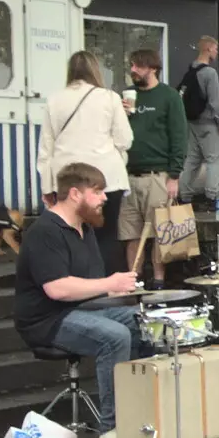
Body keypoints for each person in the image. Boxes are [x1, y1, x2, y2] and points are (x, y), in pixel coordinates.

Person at [14, 162, 143, 431]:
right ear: (75, 194)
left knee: (145, 322)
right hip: (47, 320)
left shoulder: (85, 229)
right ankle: (114, 431)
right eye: (97, 191)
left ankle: (143, 411)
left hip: (81, 309)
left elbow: (89, 282)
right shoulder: (44, 231)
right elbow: (57, 289)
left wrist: (112, 289)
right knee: (114, 336)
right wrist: (109, 282)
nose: (105, 198)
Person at [37, 51, 132, 273]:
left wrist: (47, 187)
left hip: (67, 180)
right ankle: (108, 291)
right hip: (107, 177)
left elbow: (46, 148)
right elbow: (125, 140)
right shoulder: (110, 97)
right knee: (106, 237)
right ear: (95, 71)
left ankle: (78, 288)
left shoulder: (54, 100)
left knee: (71, 235)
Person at [120, 49, 186, 285]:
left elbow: (179, 137)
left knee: (160, 233)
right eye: (132, 65)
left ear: (153, 68)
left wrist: (174, 175)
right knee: (131, 234)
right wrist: (122, 115)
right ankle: (133, 282)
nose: (133, 70)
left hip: (158, 174)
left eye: (138, 66)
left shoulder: (169, 96)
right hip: (128, 175)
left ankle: (159, 283)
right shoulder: (127, 96)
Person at [178, 36, 219, 216]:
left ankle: (184, 196)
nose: (216, 53)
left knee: (192, 159)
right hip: (207, 123)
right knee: (214, 159)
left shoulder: (191, 69)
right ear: (208, 49)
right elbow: (214, 102)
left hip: (192, 122)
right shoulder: (209, 73)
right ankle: (212, 198)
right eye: (215, 49)